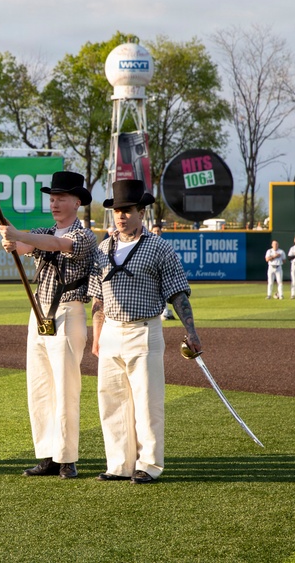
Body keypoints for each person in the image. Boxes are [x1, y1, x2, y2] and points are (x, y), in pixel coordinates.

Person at [88, 179, 204, 484]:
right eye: (117, 210)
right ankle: (118, 465)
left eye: (128, 210)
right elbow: (97, 298)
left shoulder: (160, 247)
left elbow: (178, 293)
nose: (121, 216)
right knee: (111, 401)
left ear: (142, 212)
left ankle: (149, 465)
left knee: (147, 402)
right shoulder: (103, 248)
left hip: (144, 330)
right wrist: (96, 335)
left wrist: (191, 332)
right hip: (111, 331)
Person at [0, 171, 96, 480]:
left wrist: (19, 236)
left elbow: (56, 244)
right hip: (39, 313)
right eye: (52, 198)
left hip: (69, 313)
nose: (54, 203)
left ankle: (67, 458)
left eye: (61, 198)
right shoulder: (42, 230)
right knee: (39, 388)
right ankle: (47, 456)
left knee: (66, 389)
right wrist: (11, 241)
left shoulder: (83, 236)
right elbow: (26, 247)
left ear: (77, 201)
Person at [150, 222, 176, 320]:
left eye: (158, 231)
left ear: (161, 232)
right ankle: (162, 312)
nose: (156, 233)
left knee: (163, 292)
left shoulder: (164, 244)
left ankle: (164, 312)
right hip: (151, 273)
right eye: (154, 231)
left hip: (162, 272)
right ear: (151, 232)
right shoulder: (148, 243)